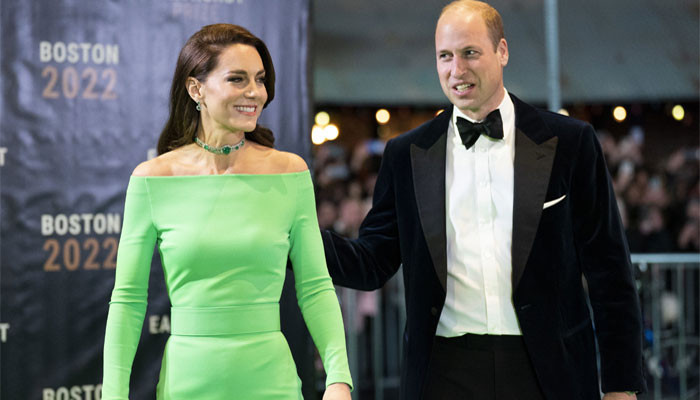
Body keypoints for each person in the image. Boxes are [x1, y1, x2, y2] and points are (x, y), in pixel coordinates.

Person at [321, 2, 646, 399]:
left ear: (502, 51)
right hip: (442, 374)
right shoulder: (406, 155)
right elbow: (372, 262)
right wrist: (293, 236)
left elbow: (609, 270)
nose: (456, 70)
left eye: (470, 52)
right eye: (445, 56)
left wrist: (621, 386)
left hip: (549, 370)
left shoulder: (570, 143)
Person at [102, 24, 352, 399]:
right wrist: (113, 393)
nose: (255, 92)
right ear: (196, 89)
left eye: (260, 79)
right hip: (187, 383)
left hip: (272, 382)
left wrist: (338, 377)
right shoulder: (153, 179)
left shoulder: (290, 173)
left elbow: (315, 286)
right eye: (237, 79)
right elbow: (128, 301)